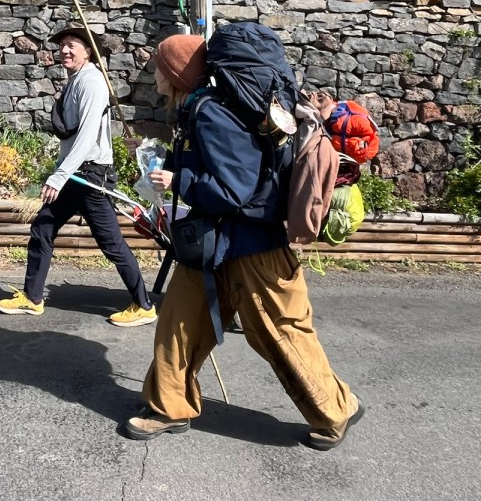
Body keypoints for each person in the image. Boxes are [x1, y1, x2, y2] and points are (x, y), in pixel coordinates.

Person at [123, 33, 365, 450]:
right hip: (214, 243)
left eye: (159, 67)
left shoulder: (211, 114)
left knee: (278, 333)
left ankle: (336, 409)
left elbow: (234, 187)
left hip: (253, 245)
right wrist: (160, 163)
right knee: (178, 322)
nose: (154, 74)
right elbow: (213, 166)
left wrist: (181, 180)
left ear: (176, 74)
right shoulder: (198, 110)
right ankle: (169, 406)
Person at [0, 23, 157, 328]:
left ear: (88, 52)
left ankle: (144, 305)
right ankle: (32, 297)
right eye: (62, 45)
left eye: (72, 45)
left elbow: (85, 137)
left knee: (111, 243)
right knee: (43, 227)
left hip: (92, 177)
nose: (64, 50)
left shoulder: (92, 83)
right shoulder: (76, 81)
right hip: (76, 175)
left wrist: (58, 176)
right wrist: (63, 173)